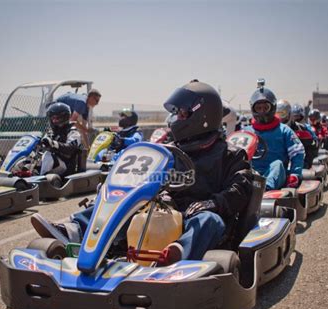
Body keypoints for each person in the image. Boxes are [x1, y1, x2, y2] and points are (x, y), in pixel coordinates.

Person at [30, 81, 254, 264]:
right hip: (166, 210)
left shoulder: (231, 154)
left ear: (202, 116)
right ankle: (75, 230)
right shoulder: (171, 151)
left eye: (182, 113)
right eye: (175, 114)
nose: (176, 119)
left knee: (209, 221)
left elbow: (240, 189)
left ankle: (177, 253)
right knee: (125, 204)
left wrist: (213, 203)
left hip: (200, 214)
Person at [244, 88, 305, 191]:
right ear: (253, 109)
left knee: (277, 164)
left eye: (265, 108)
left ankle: (264, 189)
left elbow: (297, 153)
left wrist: (295, 174)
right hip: (252, 174)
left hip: (275, 174)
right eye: (259, 108)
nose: (262, 111)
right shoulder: (246, 132)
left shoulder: (284, 130)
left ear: (273, 108)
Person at [39, 102, 82, 176]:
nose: (54, 121)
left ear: (65, 117)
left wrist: (54, 144)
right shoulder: (51, 132)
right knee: (31, 158)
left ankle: (40, 179)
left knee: (47, 155)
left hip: (67, 165)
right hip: (54, 164)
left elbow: (70, 149)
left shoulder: (73, 132)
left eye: (57, 118)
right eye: (53, 118)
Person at [278, 100, 318, 169]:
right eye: (278, 114)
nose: (281, 118)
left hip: (296, 167)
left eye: (283, 114)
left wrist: (306, 163)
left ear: (289, 114)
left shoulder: (303, 128)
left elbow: (313, 146)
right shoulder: (270, 129)